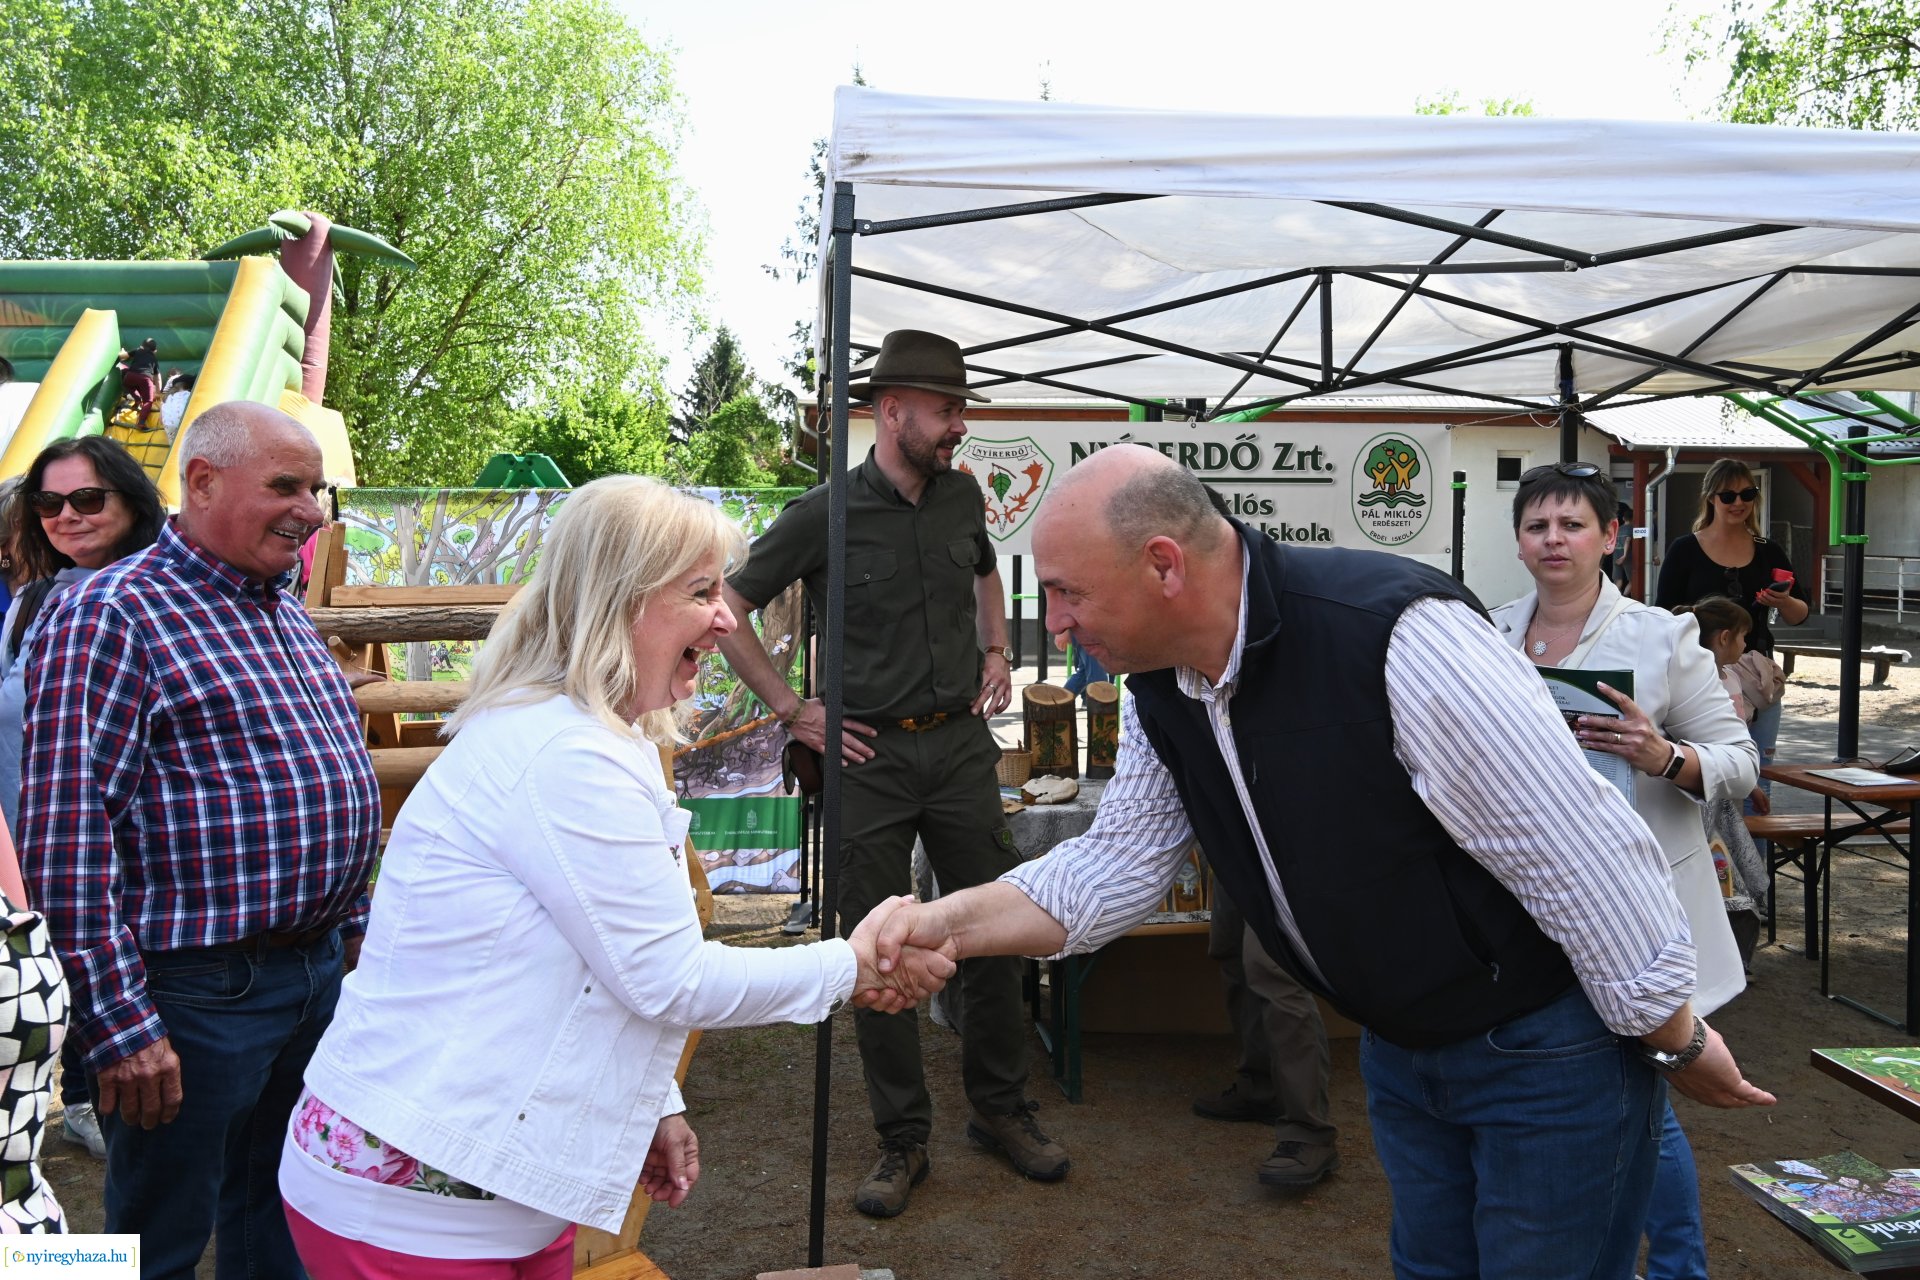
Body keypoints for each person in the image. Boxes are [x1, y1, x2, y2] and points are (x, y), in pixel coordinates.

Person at [873, 444, 1775, 1280]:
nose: (1058, 625)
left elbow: (1581, 855)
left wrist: (1676, 1036)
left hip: (1547, 1046)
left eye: (1068, 592)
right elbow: (1114, 865)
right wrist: (944, 924)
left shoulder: (1392, 632)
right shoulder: (1165, 681)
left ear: (1163, 564)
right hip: (1403, 1044)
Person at [279, 476, 954, 1277]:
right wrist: (852, 962)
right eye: (701, 591)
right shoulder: (567, 754)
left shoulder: (599, 737)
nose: (727, 617)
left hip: (495, 1187)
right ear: (620, 601)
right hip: (415, 1204)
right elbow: (665, 976)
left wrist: (651, 1104)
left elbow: (599, 957)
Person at [18, 401, 383, 1279]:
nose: (310, 509)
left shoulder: (280, 605)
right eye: (286, 486)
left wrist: (354, 926)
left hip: (309, 974)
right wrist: (116, 1023)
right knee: (152, 1243)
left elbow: (322, 783)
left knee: (283, 1211)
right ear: (203, 482)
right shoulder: (113, 612)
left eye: (317, 488)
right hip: (191, 995)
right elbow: (66, 836)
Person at [715, 329, 1066, 1219]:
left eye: (960, 409)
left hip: (957, 752)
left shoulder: (962, 501)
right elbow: (727, 607)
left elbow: (987, 575)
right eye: (947, 410)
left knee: (992, 929)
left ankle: (1000, 1109)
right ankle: (902, 1140)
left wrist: (996, 647)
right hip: (864, 757)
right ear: (894, 410)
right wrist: (794, 709)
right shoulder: (823, 513)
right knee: (878, 947)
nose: (958, 425)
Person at [1490, 461, 1760, 1280]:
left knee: (1643, 1092)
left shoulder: (1660, 635)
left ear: (1611, 538)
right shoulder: (1493, 632)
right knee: (1608, 1094)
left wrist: (1663, 754)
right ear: (1520, 542)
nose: (1554, 540)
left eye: (1573, 525)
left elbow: (1739, 762)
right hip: (1530, 900)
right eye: (1538, 526)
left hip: (1636, 903)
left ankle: (1679, 1266)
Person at [0, 438, 166, 1164]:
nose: (65, 516)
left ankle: (94, 1096)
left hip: (130, 844)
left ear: (132, 500)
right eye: (49, 504)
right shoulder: (35, 600)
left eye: (87, 499)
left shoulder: (161, 597)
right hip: (26, 822)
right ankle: (69, 1099)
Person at [1654, 459, 1810, 792]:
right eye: (1728, 496)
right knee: (1706, 776)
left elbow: (1800, 613)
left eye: (1747, 494)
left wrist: (1784, 602)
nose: (1738, 503)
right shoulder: (1685, 549)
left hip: (1758, 677)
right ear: (1711, 498)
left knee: (1758, 780)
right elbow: (1662, 617)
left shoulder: (1768, 550)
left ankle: (1755, 847)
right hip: (1699, 678)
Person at [1194, 881, 1338, 1187]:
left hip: (1281, 844)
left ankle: (1308, 1129)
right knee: (1230, 949)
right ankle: (1262, 1088)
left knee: (1274, 969)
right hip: (1229, 845)